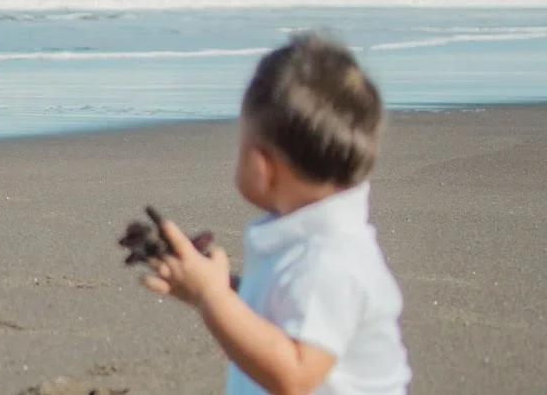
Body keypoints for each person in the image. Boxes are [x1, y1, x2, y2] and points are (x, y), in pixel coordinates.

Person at [137, 34, 411, 395]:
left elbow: (294, 376)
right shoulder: (308, 241)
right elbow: (283, 308)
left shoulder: (330, 260)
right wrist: (221, 288)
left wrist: (210, 297)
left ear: (261, 165)